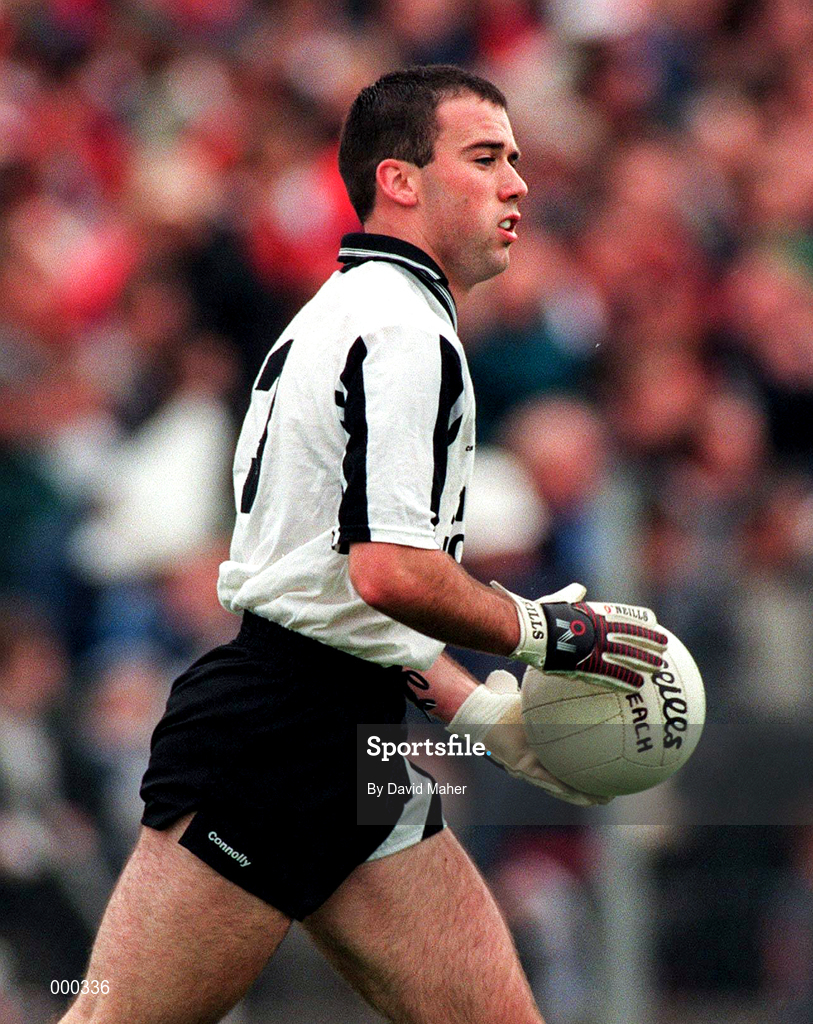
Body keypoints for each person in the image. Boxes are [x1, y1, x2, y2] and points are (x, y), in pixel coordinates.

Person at [60, 65, 666, 1024]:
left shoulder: (365, 309)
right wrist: (553, 636)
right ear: (400, 180)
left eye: (515, 160)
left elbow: (338, 602)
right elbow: (386, 572)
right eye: (485, 158)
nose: (517, 184)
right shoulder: (399, 327)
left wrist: (480, 714)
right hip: (279, 737)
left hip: (352, 738)